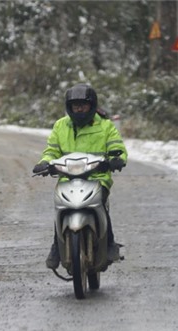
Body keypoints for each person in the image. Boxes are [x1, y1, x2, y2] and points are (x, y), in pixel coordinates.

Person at [33, 84, 128, 269]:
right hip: (67, 178)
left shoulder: (105, 126)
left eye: (83, 105)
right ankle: (56, 246)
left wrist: (117, 158)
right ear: (69, 107)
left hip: (98, 177)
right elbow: (52, 150)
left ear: (92, 105)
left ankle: (110, 243)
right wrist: (45, 163)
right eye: (75, 105)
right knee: (62, 207)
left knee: (100, 204)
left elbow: (117, 146)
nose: (79, 109)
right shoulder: (61, 125)